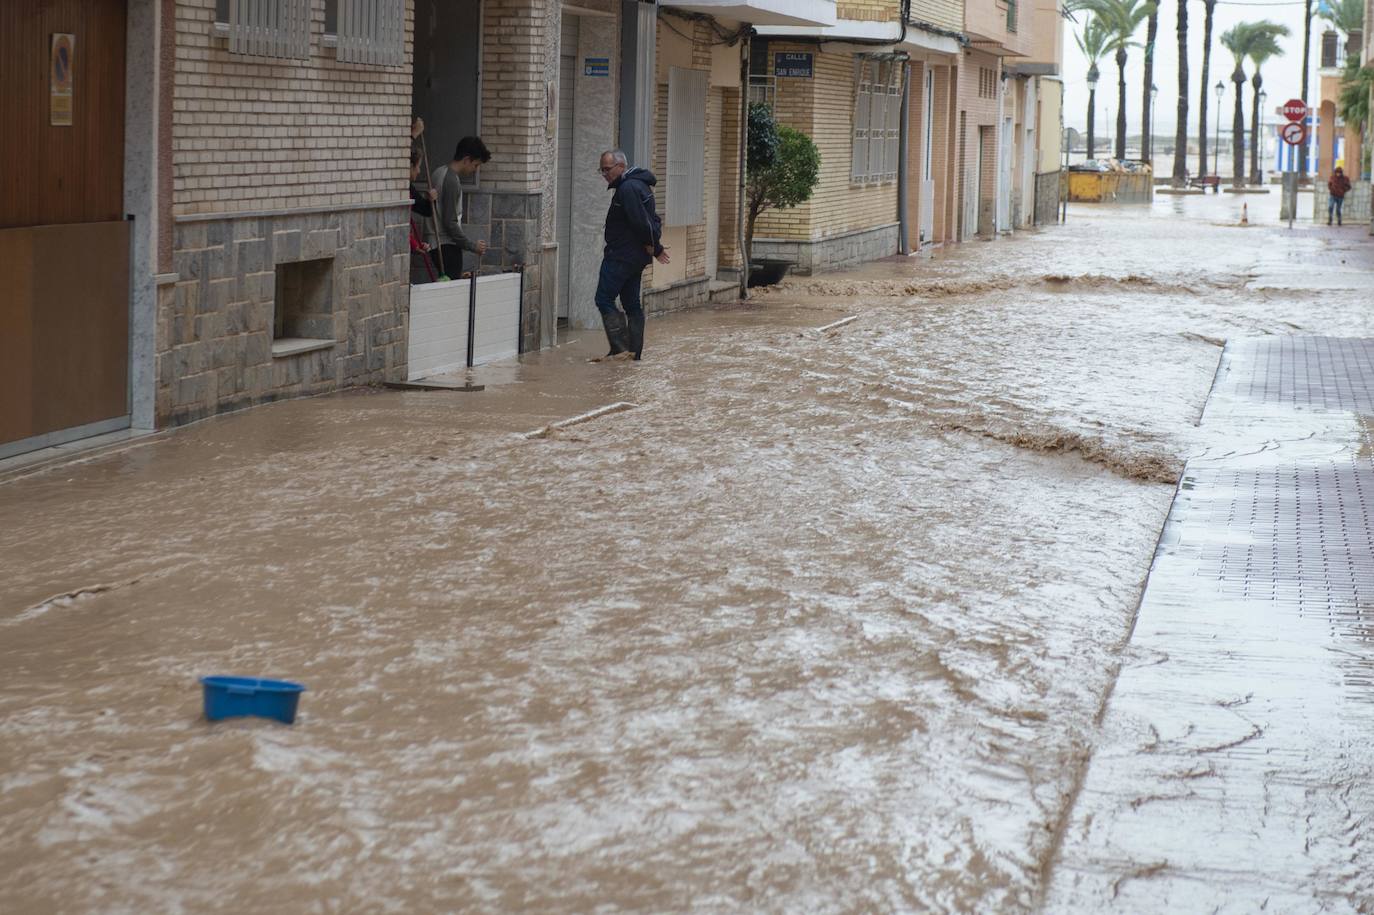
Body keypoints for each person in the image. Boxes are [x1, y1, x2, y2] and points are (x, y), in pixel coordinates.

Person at [593, 149, 669, 362]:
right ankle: (633, 354)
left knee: (604, 298)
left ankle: (620, 349)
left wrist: (656, 247)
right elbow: (652, 220)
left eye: (607, 169)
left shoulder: (628, 188)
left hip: (621, 256)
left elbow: (642, 222)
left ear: (621, 167)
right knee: (632, 304)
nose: (605, 174)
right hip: (634, 258)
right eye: (602, 170)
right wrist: (652, 245)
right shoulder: (638, 185)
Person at [430, 136, 490, 278]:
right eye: (475, 165)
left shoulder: (439, 172)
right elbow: (450, 223)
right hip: (446, 246)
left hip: (435, 244)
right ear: (466, 160)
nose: (475, 170)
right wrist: (472, 246)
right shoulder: (451, 181)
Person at [409, 146, 438, 282]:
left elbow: (425, 210)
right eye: (417, 166)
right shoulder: (403, 188)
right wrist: (414, 243)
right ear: (409, 166)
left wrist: (431, 201)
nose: (419, 171)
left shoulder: (410, 188)